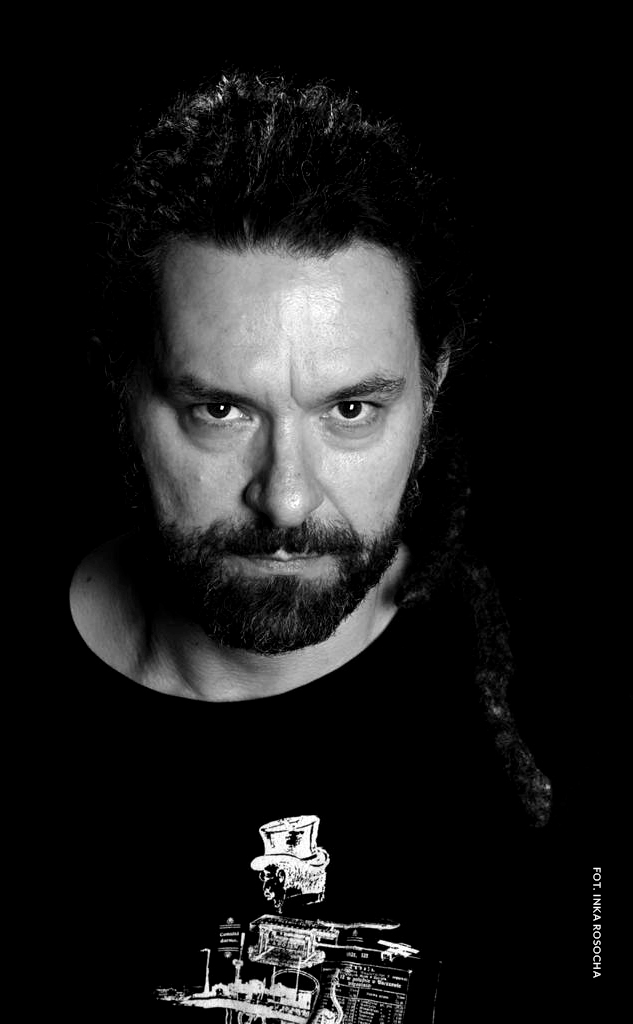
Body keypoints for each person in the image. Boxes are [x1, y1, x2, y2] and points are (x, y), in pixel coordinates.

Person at [62, 70, 565, 1020]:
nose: (286, 497)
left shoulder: (535, 733)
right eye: (219, 410)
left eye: (351, 410)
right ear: (123, 389)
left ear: (433, 386)